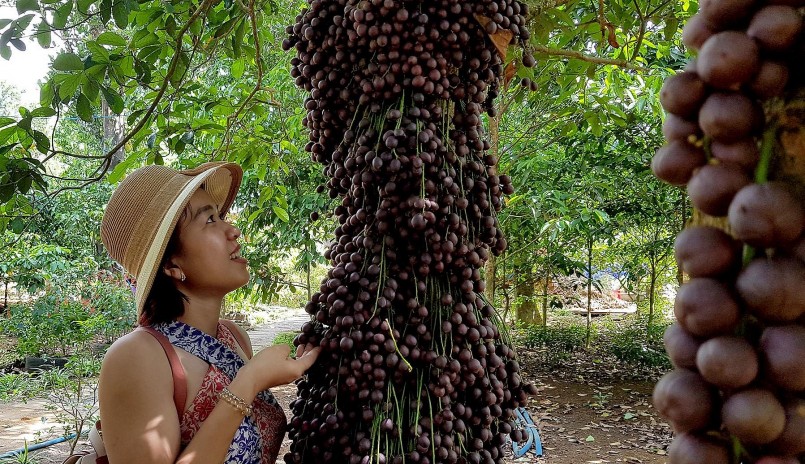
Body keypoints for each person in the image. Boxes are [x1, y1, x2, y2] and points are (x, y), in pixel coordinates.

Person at [98, 162, 320, 464]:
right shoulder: (138, 356)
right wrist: (249, 381)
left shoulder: (234, 338)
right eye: (210, 219)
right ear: (170, 264)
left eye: (221, 215)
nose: (233, 230)